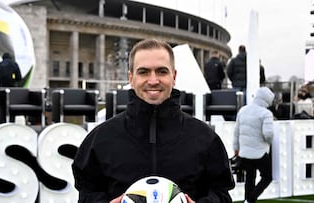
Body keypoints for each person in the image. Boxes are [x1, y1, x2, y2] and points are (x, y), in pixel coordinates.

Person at [72, 39, 235, 203]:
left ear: (174, 76)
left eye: (162, 71)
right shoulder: (100, 139)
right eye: (143, 72)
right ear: (131, 78)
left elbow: (221, 193)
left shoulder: (205, 138)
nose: (153, 80)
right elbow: (86, 193)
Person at [233, 86, 275, 203]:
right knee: (267, 177)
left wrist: (236, 148)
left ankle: (247, 200)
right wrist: (270, 143)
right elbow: (268, 134)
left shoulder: (243, 110)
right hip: (260, 151)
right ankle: (251, 198)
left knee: (250, 178)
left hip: (244, 152)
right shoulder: (266, 114)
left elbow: (236, 132)